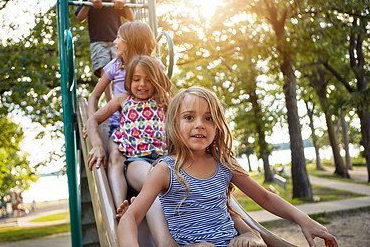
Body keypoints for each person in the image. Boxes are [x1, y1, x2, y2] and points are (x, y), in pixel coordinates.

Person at [118, 86, 338, 247]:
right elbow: (131, 217)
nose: (199, 125)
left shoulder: (224, 163)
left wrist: (304, 220)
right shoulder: (166, 170)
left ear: (217, 126)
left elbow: (265, 198)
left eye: (208, 118)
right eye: (189, 117)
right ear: (175, 124)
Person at [86, 55, 178, 246]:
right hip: (137, 161)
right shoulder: (122, 100)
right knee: (154, 181)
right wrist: (97, 145)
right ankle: (127, 211)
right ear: (129, 81)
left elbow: (178, 126)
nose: (142, 84)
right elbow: (93, 119)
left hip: (164, 159)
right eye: (136, 79)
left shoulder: (163, 100)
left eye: (148, 79)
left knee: (175, 179)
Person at [84, 21, 164, 212]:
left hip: (148, 129)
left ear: (132, 41)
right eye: (136, 80)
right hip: (120, 128)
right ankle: (121, 205)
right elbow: (94, 96)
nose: (114, 42)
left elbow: (164, 96)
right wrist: (92, 125)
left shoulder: (155, 65)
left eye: (119, 37)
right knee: (115, 156)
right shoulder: (115, 66)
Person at [76, 0, 134, 102]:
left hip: (117, 41)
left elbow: (131, 18)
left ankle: (124, 98)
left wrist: (124, 4)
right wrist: (89, 3)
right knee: (105, 69)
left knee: (121, 67)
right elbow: (80, 18)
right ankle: (110, 102)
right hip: (98, 41)